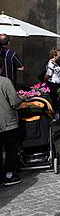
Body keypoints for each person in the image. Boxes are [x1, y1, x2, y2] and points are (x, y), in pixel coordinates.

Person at [0, 56, 22, 185]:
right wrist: (21, 100)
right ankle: (9, 175)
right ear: (1, 68)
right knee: (10, 149)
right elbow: (15, 102)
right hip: (7, 122)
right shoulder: (5, 82)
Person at [43, 48, 60, 121]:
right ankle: (53, 115)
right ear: (54, 54)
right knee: (54, 100)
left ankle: (55, 114)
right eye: (59, 54)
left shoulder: (56, 62)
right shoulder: (51, 63)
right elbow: (48, 74)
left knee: (56, 99)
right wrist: (44, 82)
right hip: (52, 83)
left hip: (56, 83)